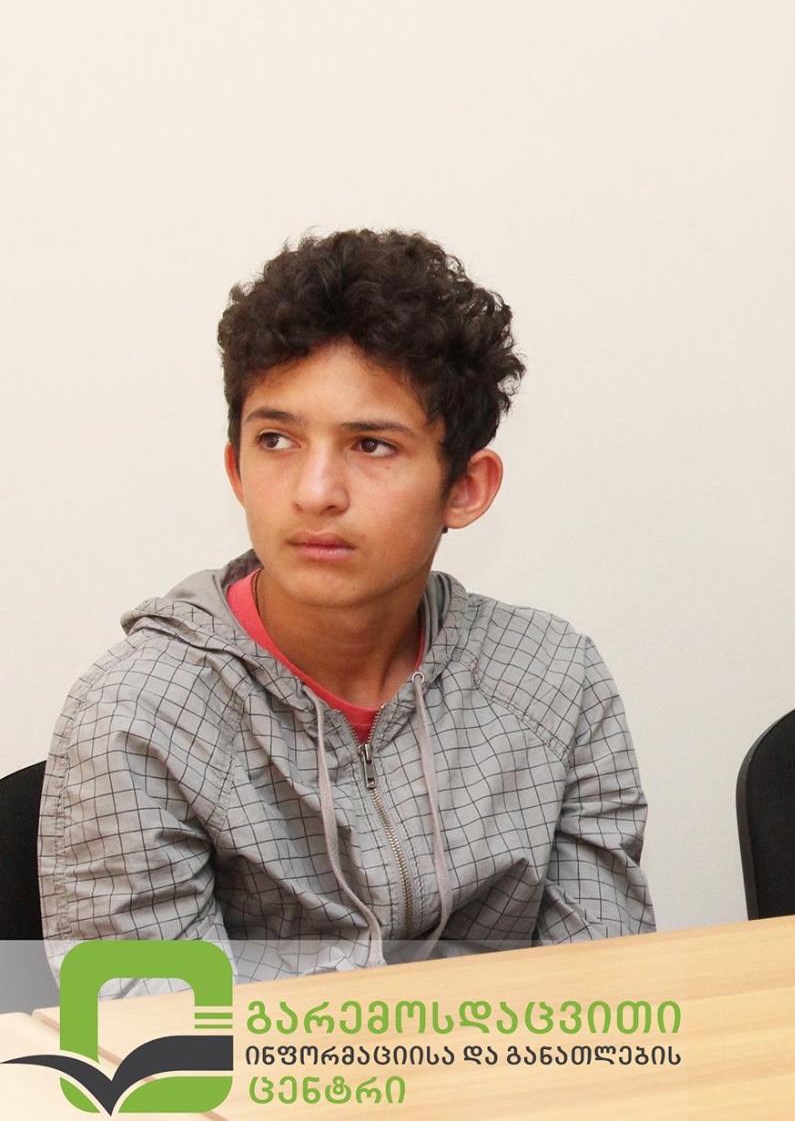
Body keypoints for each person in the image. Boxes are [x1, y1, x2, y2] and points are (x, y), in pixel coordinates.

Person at [40, 229, 654, 984]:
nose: (314, 492)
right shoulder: (137, 714)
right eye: (276, 440)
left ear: (465, 488)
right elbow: (155, 1038)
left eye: (371, 446)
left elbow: (601, 991)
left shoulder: (554, 679)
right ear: (236, 469)